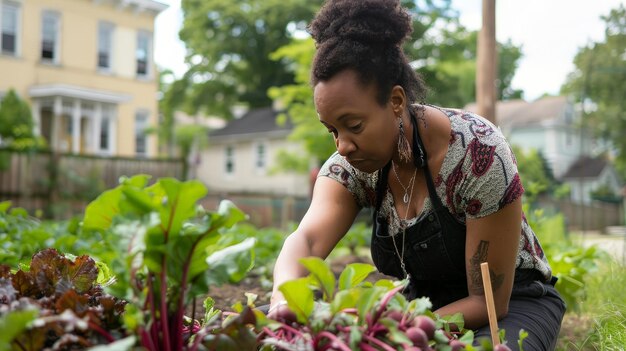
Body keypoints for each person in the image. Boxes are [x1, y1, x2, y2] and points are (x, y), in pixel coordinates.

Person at [268, 0, 565, 350]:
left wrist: (390, 330)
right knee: (282, 331)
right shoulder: (352, 168)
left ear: (395, 101)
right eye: (332, 130)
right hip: (422, 305)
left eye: (353, 125)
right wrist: (283, 301)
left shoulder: (478, 152)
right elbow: (306, 242)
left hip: (511, 305)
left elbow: (489, 302)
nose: (343, 145)